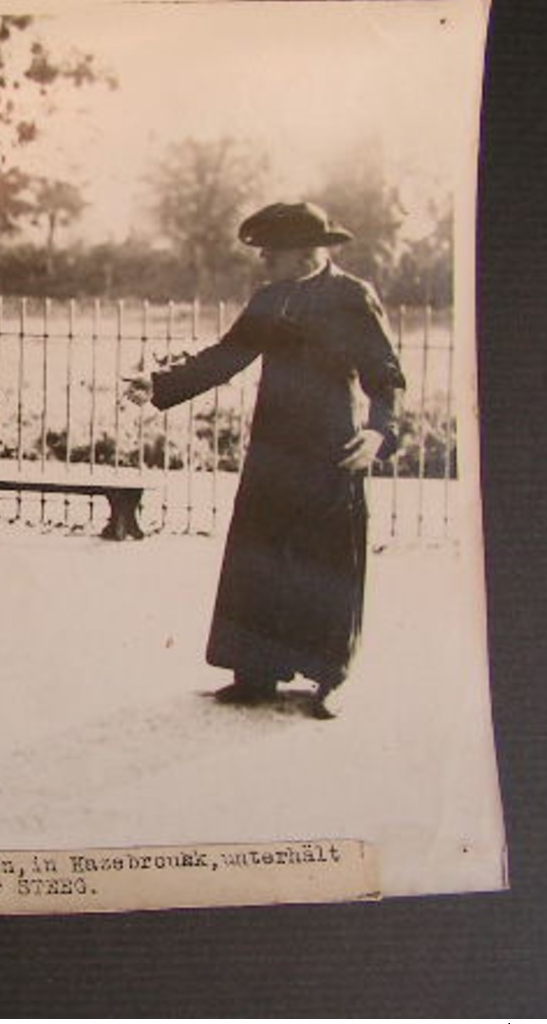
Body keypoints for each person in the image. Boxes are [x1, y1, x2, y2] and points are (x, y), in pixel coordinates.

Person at [125, 202, 406, 720]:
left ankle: (325, 679)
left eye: (270, 255)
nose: (263, 263)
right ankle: (254, 673)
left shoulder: (352, 298)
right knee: (261, 553)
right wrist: (159, 385)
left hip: (332, 450)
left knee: (325, 563)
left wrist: (378, 433)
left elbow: (386, 375)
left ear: (305, 254)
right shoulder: (270, 297)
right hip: (274, 448)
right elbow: (227, 356)